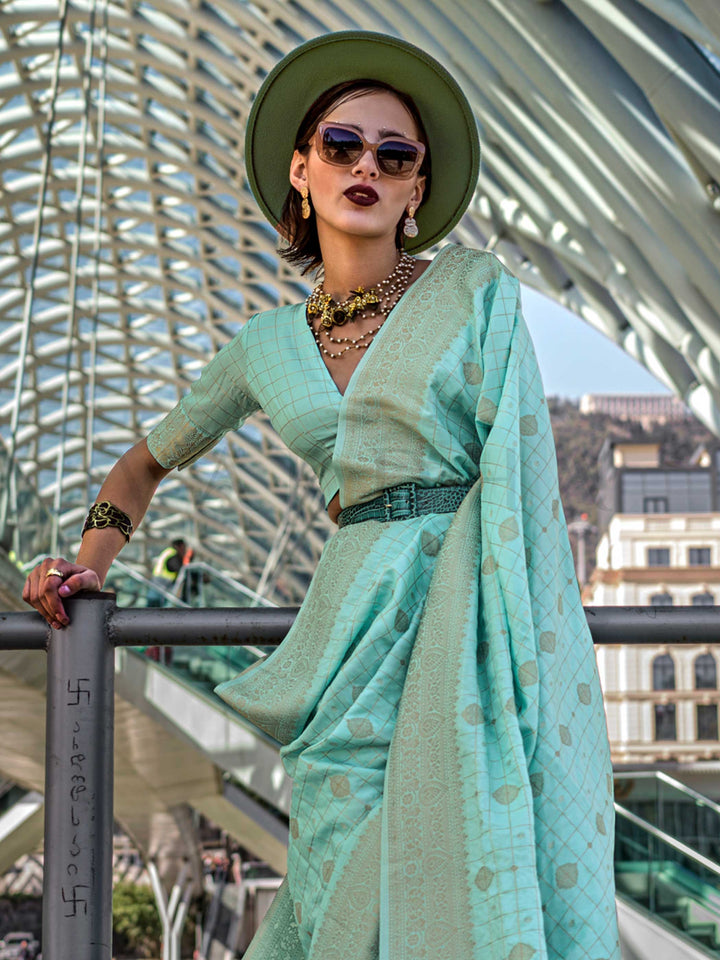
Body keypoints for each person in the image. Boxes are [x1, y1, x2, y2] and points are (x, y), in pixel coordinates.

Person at [23, 31, 620, 960]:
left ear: (418, 190)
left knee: (469, 863)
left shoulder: (474, 295)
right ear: (300, 171)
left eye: (395, 154)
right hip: (348, 646)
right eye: (341, 146)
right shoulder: (263, 347)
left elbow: (519, 472)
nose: (366, 167)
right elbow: (142, 466)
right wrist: (86, 565)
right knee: (342, 876)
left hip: (468, 624)